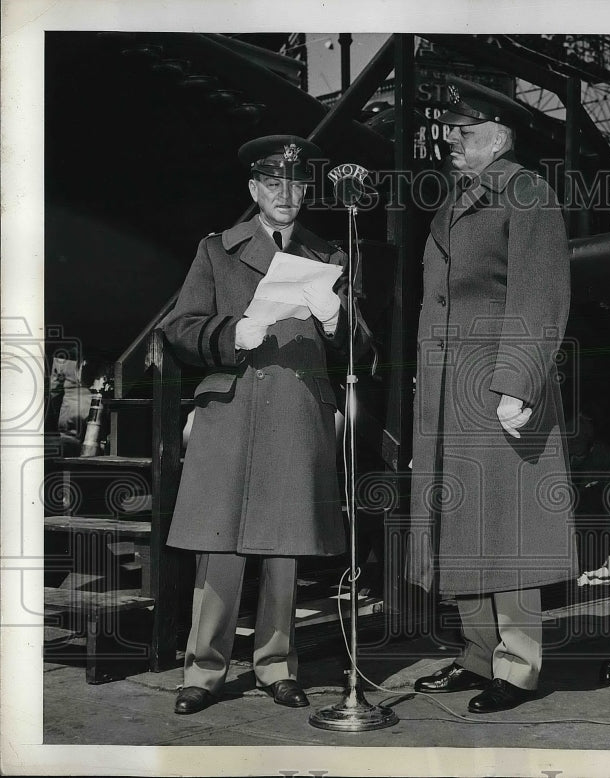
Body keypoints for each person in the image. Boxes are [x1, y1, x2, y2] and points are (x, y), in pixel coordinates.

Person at [162, 135, 369, 715]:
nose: (286, 194)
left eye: (297, 183)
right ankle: (204, 670)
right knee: (218, 547)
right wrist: (230, 335)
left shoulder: (329, 255)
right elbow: (180, 328)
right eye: (273, 183)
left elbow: (366, 349)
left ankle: (277, 664)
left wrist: (337, 319)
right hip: (232, 409)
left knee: (285, 549)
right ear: (254, 190)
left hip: (296, 410)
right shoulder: (216, 251)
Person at [406, 77, 576, 714]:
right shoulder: (457, 200)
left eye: (464, 132)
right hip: (452, 392)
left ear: (499, 137)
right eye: (451, 131)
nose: (451, 141)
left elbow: (541, 295)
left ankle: (519, 665)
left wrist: (518, 383)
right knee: (464, 526)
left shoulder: (526, 192)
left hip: (498, 384)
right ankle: (478, 656)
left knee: (510, 530)